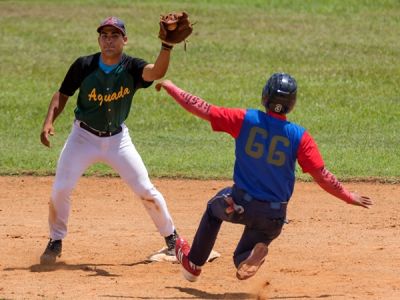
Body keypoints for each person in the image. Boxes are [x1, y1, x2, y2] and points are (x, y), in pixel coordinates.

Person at [155, 73, 373, 282]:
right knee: (241, 255)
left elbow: (202, 108)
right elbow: (323, 176)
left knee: (214, 209)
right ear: (292, 103)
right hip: (273, 217)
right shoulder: (300, 136)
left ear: (265, 96)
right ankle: (246, 258)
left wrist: (172, 87)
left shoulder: (245, 119)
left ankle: (193, 265)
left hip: (240, 204)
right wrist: (348, 196)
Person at [39, 16, 180, 265]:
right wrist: (49, 121)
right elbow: (63, 94)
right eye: (104, 35)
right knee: (61, 189)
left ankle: (172, 240)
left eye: (115, 35)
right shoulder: (84, 65)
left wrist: (166, 47)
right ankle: (55, 240)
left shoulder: (132, 67)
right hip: (82, 137)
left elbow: (156, 72)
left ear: (124, 40)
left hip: (118, 140)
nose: (109, 40)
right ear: (99, 40)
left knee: (146, 189)